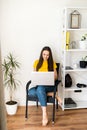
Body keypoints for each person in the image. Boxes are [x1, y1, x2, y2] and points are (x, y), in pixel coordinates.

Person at [28, 46, 62, 126]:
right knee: (30, 91)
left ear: (50, 55)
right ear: (41, 54)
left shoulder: (52, 62)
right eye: (44, 54)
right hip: (40, 85)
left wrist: (50, 77)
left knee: (40, 89)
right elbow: (34, 75)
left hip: (49, 85)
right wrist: (36, 78)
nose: (45, 56)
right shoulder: (37, 62)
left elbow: (56, 77)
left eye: (47, 55)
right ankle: (52, 94)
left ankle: (44, 114)